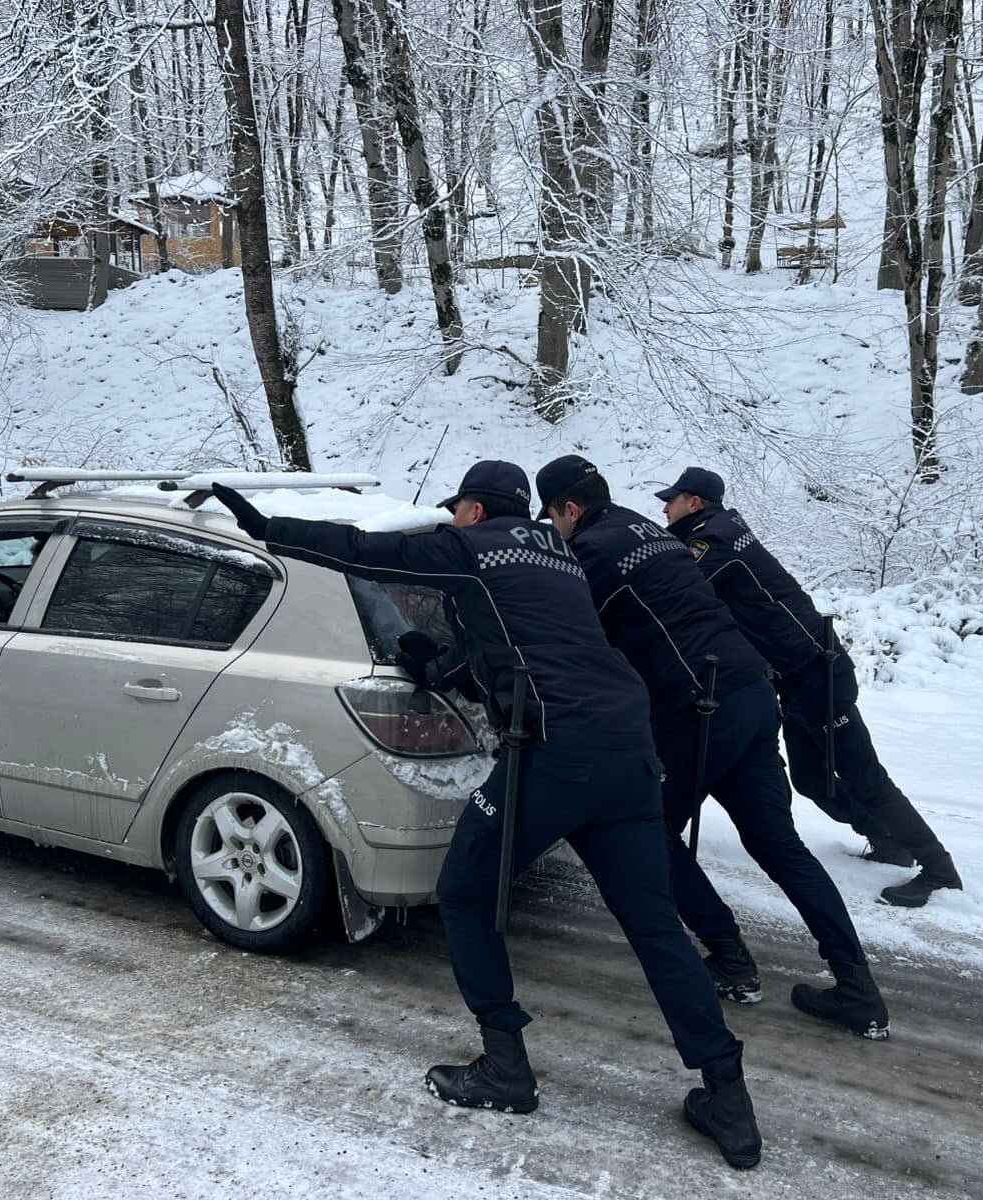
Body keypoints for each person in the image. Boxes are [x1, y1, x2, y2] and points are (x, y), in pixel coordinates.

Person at [211, 464, 762, 1169]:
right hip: (629, 747)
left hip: (555, 754)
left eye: (456, 508)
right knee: (654, 925)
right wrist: (440, 670)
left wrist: (264, 528)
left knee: (466, 892)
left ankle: (505, 1065)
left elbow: (359, 550)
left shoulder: (466, 546)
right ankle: (727, 1094)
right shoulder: (558, 552)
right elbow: (522, 637)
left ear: (471, 509)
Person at [535, 455, 890, 1040]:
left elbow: (568, 634)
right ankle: (859, 989)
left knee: (646, 832)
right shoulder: (652, 531)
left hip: (698, 709)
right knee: (779, 846)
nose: (556, 528)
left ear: (569, 509)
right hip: (752, 693)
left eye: (553, 517)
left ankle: (729, 958)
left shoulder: (592, 553)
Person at [657, 467, 964, 909]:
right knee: (809, 780)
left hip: (817, 673)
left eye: (673, 500)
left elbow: (675, 586)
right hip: (798, 676)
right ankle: (886, 838)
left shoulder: (713, 539)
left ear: (695, 503)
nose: (665, 507)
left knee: (866, 776)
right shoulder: (719, 529)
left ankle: (939, 869)